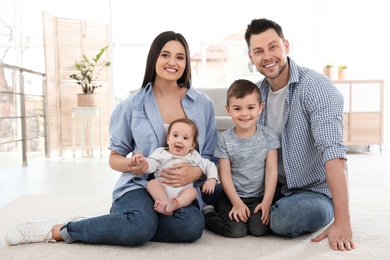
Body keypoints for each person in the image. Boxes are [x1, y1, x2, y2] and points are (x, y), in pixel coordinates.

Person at [5, 31, 219, 246]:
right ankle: (60, 230)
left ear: (186, 62)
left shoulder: (202, 104)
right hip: (139, 185)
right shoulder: (132, 104)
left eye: (180, 57)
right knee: (139, 228)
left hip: (177, 192)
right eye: (165, 55)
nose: (173, 62)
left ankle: (119, 222)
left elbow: (209, 153)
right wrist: (132, 165)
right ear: (154, 58)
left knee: (191, 226)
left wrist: (197, 170)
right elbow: (115, 157)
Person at [244, 18, 355, 251]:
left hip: (313, 190)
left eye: (273, 46)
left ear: (286, 46)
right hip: (271, 187)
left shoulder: (317, 87)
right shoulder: (256, 95)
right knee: (217, 190)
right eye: (258, 51)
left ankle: (312, 212)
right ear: (251, 57)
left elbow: (333, 154)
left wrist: (343, 223)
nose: (267, 56)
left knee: (286, 219)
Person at [204, 79, 279, 238]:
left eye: (250, 108)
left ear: (260, 108)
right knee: (236, 231)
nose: (244, 114)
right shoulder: (225, 139)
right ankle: (209, 214)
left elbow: (272, 171)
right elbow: (224, 175)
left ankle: (248, 213)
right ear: (228, 110)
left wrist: (266, 202)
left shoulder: (268, 136)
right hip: (232, 196)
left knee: (259, 229)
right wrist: (237, 203)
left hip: (258, 197)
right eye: (237, 108)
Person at [131, 118, 219, 216]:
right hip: (162, 188)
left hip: (182, 192)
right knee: (152, 183)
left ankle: (175, 205)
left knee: (192, 192)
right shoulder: (161, 152)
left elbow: (209, 165)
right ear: (168, 139)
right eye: (175, 135)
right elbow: (152, 164)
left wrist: (212, 179)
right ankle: (164, 203)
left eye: (185, 138)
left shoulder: (193, 156)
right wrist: (144, 163)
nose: (179, 140)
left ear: (192, 145)